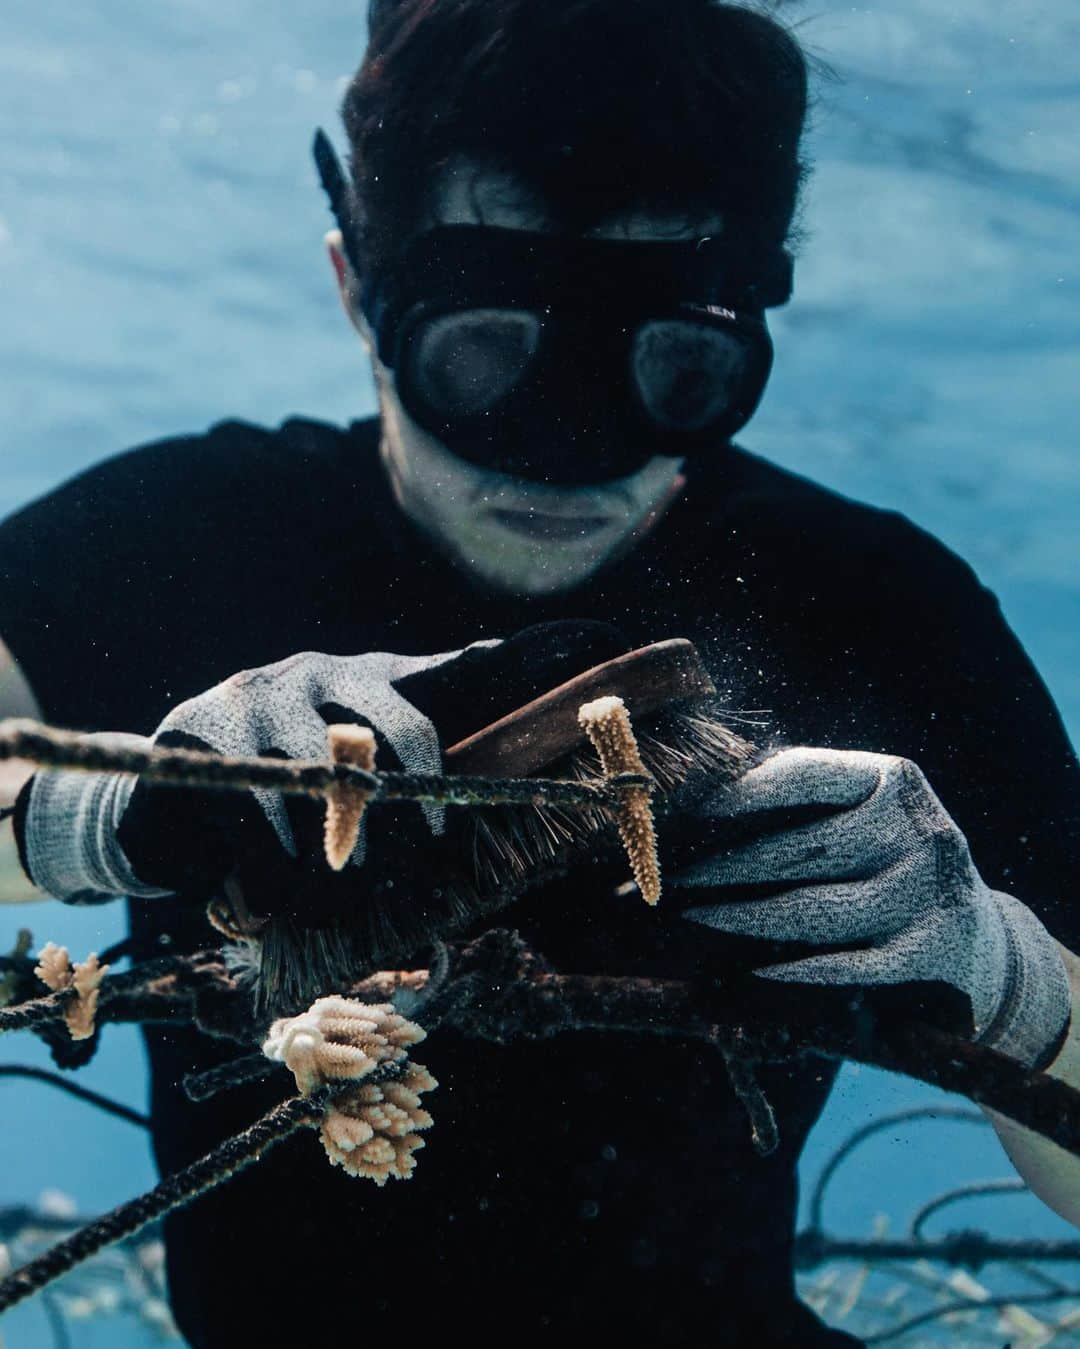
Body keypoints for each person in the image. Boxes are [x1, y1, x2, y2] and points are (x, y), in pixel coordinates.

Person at [1, 0, 1078, 1343]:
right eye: (489, 354)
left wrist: (1013, 977)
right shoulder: (179, 539)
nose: (566, 459)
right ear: (355, 287)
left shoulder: (874, 605)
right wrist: (107, 811)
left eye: (671, 369)